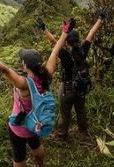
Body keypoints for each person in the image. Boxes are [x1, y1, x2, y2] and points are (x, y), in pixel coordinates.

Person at [0, 21, 70, 167]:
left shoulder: (24, 84)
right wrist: (65, 33)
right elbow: (55, 51)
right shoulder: (47, 74)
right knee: (36, 145)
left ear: (25, 65)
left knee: (19, 156)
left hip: (20, 127)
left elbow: (4, 70)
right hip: (37, 123)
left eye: (22, 61)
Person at [36, 10, 109, 139]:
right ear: (78, 40)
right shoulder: (83, 50)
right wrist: (100, 18)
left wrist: (44, 29)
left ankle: (61, 134)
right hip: (81, 87)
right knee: (80, 110)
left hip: (67, 88)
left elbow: (54, 41)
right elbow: (91, 33)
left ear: (67, 42)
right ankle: (83, 132)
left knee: (65, 112)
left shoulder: (64, 54)